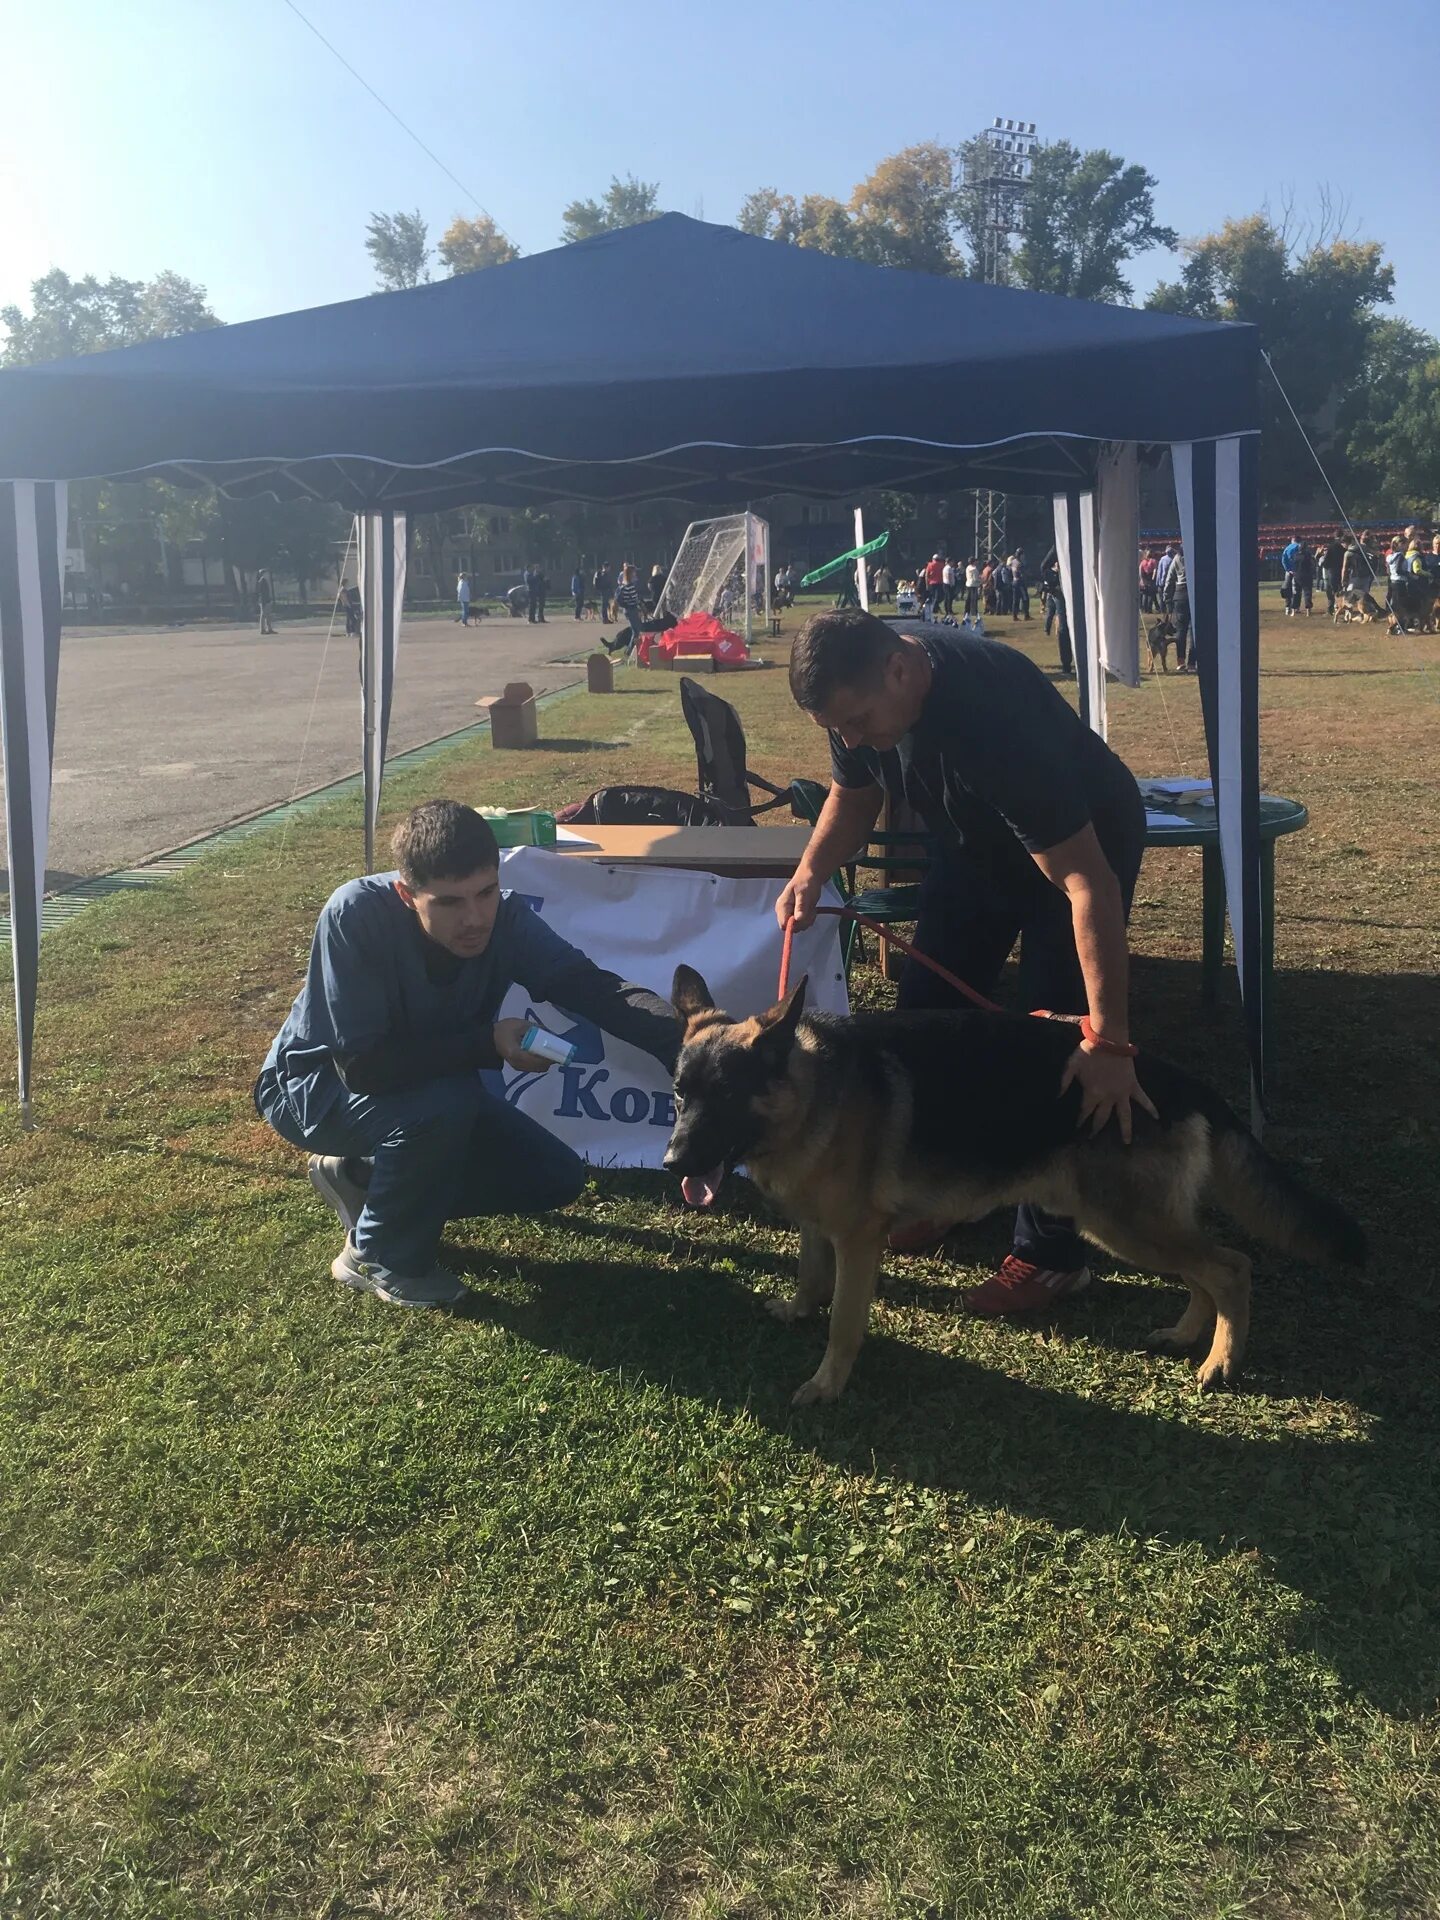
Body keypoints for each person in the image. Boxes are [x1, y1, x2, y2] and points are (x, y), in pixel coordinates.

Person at [776, 610, 1152, 1316]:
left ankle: (1050, 1255)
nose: (851, 739)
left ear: (900, 670)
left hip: (1077, 850)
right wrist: (810, 872)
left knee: (1056, 1048)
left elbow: (1085, 885)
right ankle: (951, 1193)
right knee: (921, 1024)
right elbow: (855, 796)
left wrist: (1111, 1040)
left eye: (856, 721)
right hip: (972, 845)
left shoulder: (995, 719)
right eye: (838, 730)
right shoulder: (859, 706)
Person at [254, 801, 680, 1308]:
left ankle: (365, 1180)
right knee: (447, 1102)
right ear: (405, 894)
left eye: (485, 893)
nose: (475, 918)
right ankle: (377, 1255)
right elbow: (363, 1068)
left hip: (429, 1093)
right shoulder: (355, 915)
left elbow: (590, 988)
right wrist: (487, 1043)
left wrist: (694, 1040)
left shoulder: (509, 918)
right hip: (313, 1089)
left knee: (554, 1176)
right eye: (450, 903)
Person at [1039, 550, 1073, 676]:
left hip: (1062, 590)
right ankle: (1068, 664)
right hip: (1068, 590)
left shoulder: (1060, 541)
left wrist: (1053, 583)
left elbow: (1043, 566)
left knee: (1064, 628)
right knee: (1065, 627)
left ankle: (1067, 665)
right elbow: (1044, 567)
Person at [1164, 543, 1192, 671]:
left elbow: (1169, 580)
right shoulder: (1193, 557)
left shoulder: (1175, 559)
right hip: (1193, 594)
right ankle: (1192, 661)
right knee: (1194, 631)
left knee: (1181, 630)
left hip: (1179, 595)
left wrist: (1167, 599)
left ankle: (1180, 661)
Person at [615, 562, 645, 651]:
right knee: (636, 630)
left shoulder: (625, 585)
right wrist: (639, 606)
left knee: (635, 630)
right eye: (634, 572)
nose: (635, 574)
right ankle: (630, 650)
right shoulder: (630, 586)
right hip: (631, 609)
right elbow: (634, 598)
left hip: (629, 609)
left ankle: (631, 649)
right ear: (631, 574)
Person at [1320, 533, 1345, 615]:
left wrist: (1325, 566)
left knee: (1331, 591)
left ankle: (1332, 608)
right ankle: (1340, 607)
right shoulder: (1344, 547)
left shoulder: (1331, 547)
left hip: (1332, 571)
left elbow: (1326, 561)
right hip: (1342, 571)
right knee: (1341, 590)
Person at [1280, 533, 1304, 617]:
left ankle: (1287, 607)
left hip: (1289, 571)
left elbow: (1283, 560)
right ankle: (1296, 607)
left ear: (1292, 540)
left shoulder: (1287, 548)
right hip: (1298, 571)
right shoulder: (1300, 547)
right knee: (1297, 589)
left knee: (1287, 589)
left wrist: (1288, 569)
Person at [923, 552, 945, 618]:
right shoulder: (942, 565)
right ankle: (934, 608)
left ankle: (934, 607)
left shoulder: (929, 565)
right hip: (940, 582)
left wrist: (927, 584)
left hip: (932, 583)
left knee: (933, 597)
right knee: (938, 597)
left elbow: (927, 575)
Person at [256, 568, 277, 635]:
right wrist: (264, 602)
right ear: (263, 574)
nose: (267, 574)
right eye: (266, 573)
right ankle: (262, 630)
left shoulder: (264, 580)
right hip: (264, 601)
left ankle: (269, 629)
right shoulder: (262, 581)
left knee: (268, 615)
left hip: (266, 600)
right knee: (263, 615)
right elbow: (262, 593)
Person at [1139, 549, 1159, 614]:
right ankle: (1149, 610)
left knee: (1145, 595)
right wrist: (1153, 579)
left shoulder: (1142, 562)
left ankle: (1145, 609)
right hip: (1150, 579)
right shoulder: (1153, 561)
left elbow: (1140, 572)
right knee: (1150, 595)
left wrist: (1143, 580)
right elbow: (1155, 570)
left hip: (1144, 579)